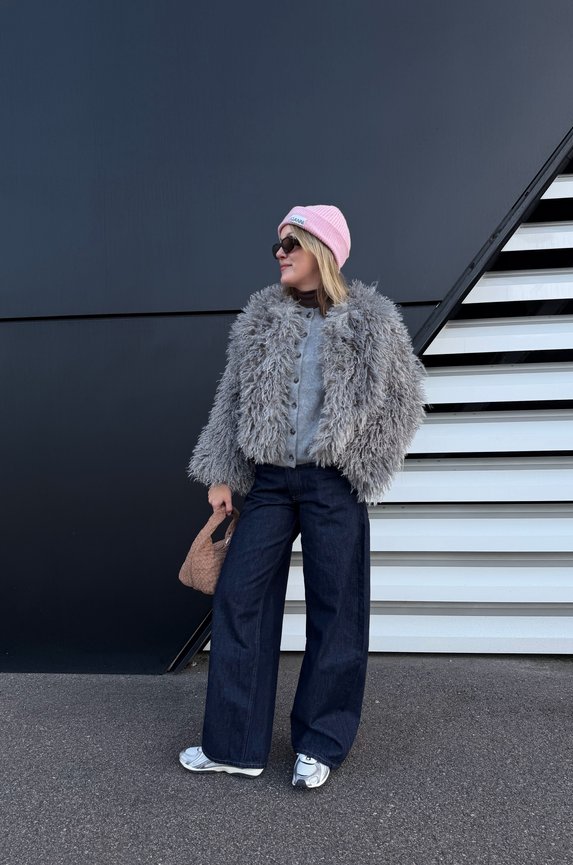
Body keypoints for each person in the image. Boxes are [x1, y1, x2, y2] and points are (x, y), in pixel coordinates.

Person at [179, 204, 426, 789]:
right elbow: (231, 398)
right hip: (268, 484)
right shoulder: (262, 318)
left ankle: (321, 742)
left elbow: (405, 401)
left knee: (337, 612)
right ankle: (236, 745)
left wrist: (362, 462)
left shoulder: (371, 321)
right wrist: (221, 472)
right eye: (277, 246)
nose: (281, 253)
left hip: (330, 484)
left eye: (291, 243)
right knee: (238, 600)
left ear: (323, 249)